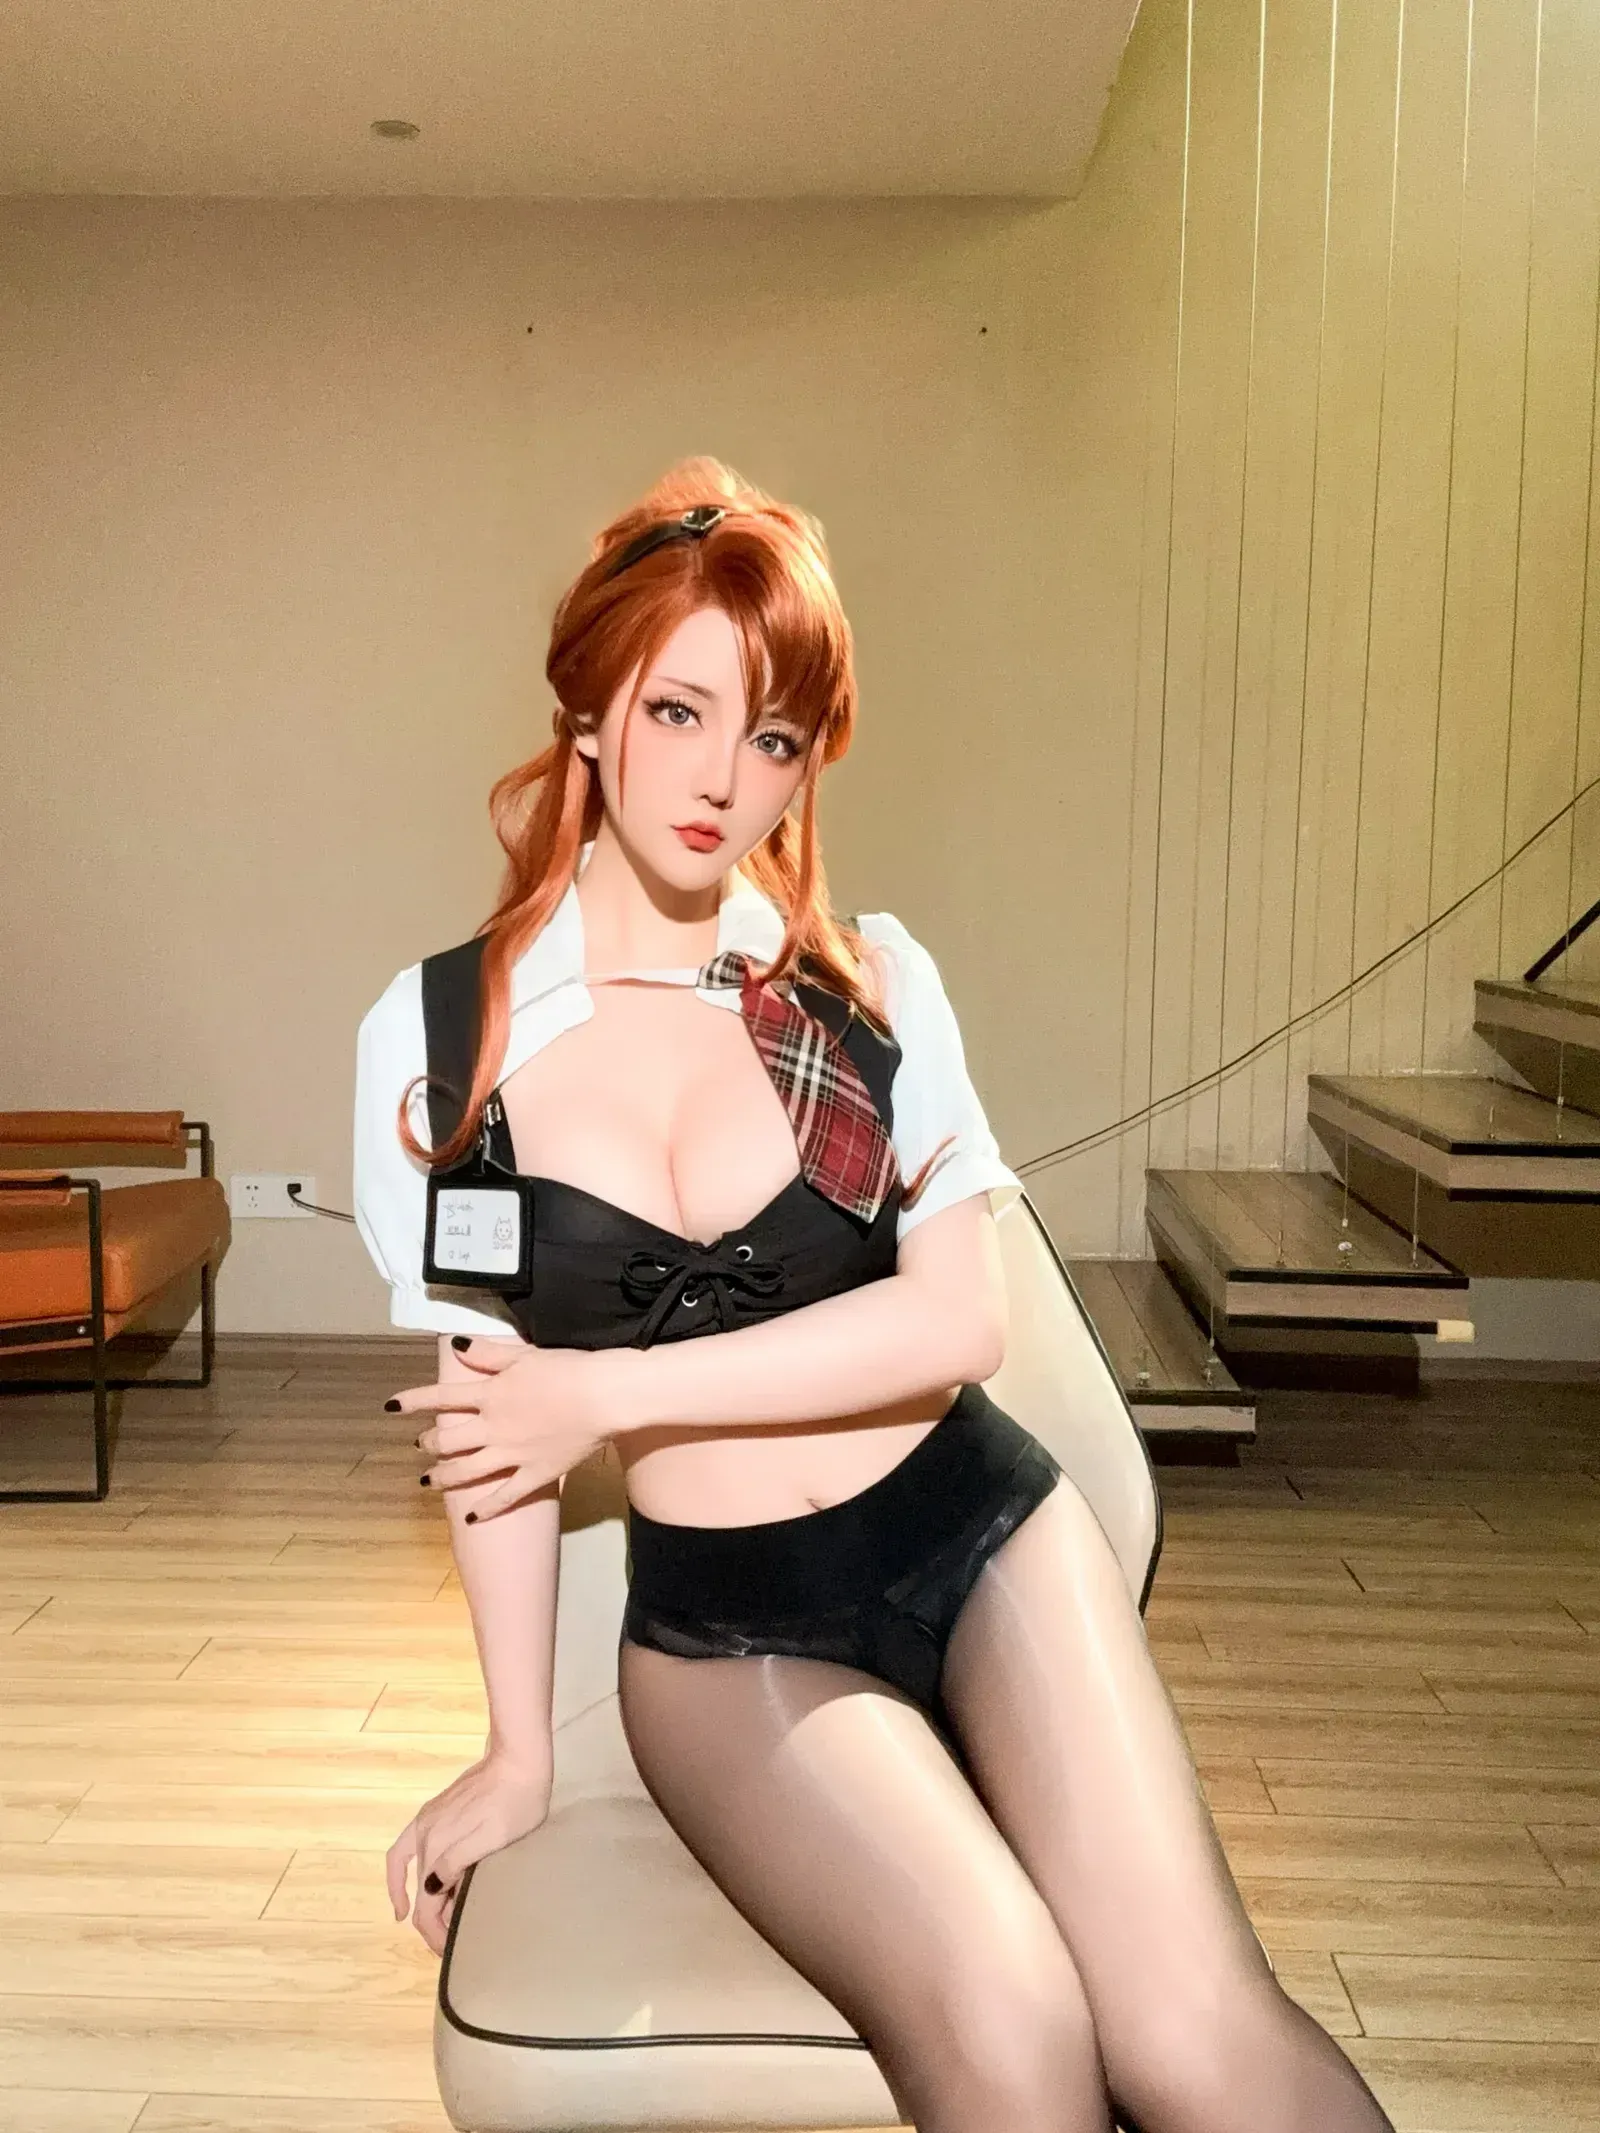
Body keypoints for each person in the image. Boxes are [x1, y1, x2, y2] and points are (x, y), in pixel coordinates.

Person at [352, 457, 1396, 2133]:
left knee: (1192, 2034)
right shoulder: (444, 1044)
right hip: (732, 1639)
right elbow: (494, 1440)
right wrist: (517, 1749)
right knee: (1014, 2027)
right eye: (679, 711)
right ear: (590, 714)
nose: (725, 779)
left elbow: (956, 1326)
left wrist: (607, 1390)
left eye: (774, 738)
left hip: (978, 1530)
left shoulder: (863, 981)